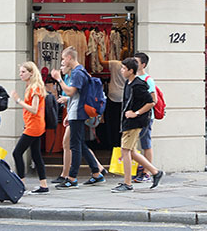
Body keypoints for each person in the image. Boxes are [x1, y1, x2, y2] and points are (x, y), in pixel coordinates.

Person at [53, 47, 105, 189]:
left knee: (74, 145)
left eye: (63, 58)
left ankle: (72, 177)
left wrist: (58, 79)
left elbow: (70, 92)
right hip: (76, 111)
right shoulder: (80, 71)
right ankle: (96, 173)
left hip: (78, 111)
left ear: (69, 58)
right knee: (80, 143)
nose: (63, 61)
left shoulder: (77, 73)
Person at [112, 57, 164, 193]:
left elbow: (151, 102)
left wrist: (136, 113)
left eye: (124, 68)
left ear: (130, 70)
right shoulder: (129, 83)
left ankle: (127, 183)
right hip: (129, 122)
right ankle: (155, 172)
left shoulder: (138, 85)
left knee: (126, 151)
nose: (122, 70)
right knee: (132, 152)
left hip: (134, 123)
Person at [10, 61, 49, 194]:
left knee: (17, 153)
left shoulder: (34, 88)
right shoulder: (32, 87)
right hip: (34, 125)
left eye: (23, 72)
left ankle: (21, 184)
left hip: (34, 125)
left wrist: (18, 100)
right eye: (20, 72)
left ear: (31, 73)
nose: (20, 74)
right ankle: (43, 185)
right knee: (36, 155)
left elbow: (34, 109)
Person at [132, 52, 156, 183]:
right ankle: (138, 169)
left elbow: (153, 100)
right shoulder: (132, 78)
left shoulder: (148, 80)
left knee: (146, 144)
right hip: (134, 117)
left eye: (136, 62)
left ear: (143, 64)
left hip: (145, 117)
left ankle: (147, 172)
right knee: (133, 145)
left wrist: (138, 112)